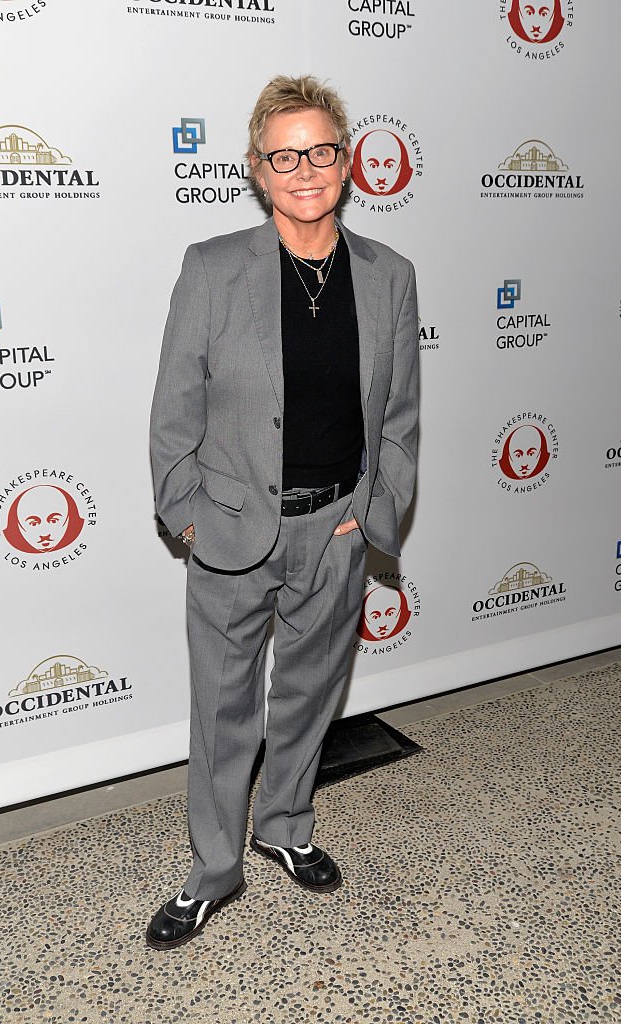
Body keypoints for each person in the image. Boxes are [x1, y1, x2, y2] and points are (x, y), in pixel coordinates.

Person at [147, 75, 419, 950]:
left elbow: (400, 415)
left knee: (308, 698)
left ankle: (287, 827)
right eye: (284, 155)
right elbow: (172, 413)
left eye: (322, 150)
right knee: (223, 709)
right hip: (230, 527)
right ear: (260, 171)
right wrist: (186, 517)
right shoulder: (213, 268)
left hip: (336, 528)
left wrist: (372, 515)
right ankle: (213, 868)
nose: (306, 169)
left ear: (347, 161)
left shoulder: (390, 277)